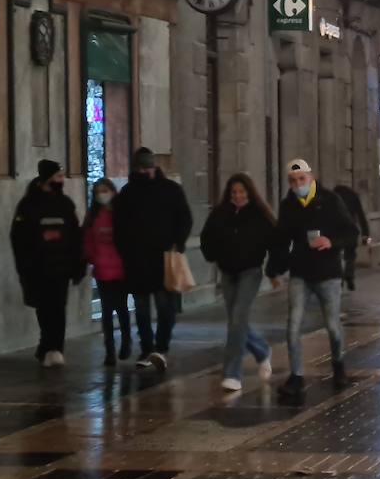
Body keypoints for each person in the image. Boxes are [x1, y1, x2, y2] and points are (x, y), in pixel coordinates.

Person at [268, 158, 358, 396]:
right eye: (293, 181)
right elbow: (280, 239)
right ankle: (296, 376)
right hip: (300, 273)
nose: (298, 184)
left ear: (311, 177)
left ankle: (339, 366)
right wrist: (274, 268)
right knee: (293, 325)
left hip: (327, 273)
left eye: (301, 179)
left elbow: (351, 232)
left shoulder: (330, 201)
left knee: (332, 325)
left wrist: (331, 242)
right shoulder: (288, 205)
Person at [114, 147, 192, 372]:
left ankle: (161, 346)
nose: (145, 172)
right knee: (141, 308)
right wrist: (125, 251)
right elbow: (119, 228)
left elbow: (184, 219)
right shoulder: (128, 194)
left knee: (164, 305)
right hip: (137, 259)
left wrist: (177, 244)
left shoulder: (170, 190)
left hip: (163, 258)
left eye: (147, 167)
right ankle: (147, 347)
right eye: (141, 167)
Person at [201, 173, 277, 392]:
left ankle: (232, 373)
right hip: (227, 272)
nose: (238, 196)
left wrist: (273, 270)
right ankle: (261, 350)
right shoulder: (220, 213)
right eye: (234, 192)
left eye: (242, 192)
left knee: (237, 319)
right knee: (237, 321)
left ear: (249, 192)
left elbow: (274, 241)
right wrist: (213, 255)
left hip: (250, 272)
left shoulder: (259, 215)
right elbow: (207, 237)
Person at [11, 160, 83, 367]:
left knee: (58, 308)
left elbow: (75, 235)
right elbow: (19, 238)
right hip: (38, 268)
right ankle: (47, 345)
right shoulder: (28, 205)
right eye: (59, 177)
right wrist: (24, 265)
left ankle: (55, 348)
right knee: (44, 308)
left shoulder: (65, 204)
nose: (62, 180)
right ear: (48, 179)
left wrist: (77, 263)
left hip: (61, 268)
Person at [83, 178, 131, 366]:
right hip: (102, 268)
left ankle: (126, 341)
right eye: (97, 192)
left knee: (121, 308)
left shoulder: (121, 213)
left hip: (120, 268)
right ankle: (109, 350)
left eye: (105, 190)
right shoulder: (93, 215)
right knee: (106, 311)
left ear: (112, 191)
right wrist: (92, 258)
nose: (101, 195)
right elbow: (87, 238)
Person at [332, 184, 370, 291]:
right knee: (350, 254)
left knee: (336, 254)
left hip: (337, 229)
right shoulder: (354, 196)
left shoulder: (333, 197)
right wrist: (365, 234)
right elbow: (361, 215)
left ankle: (338, 277)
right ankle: (349, 274)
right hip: (350, 228)